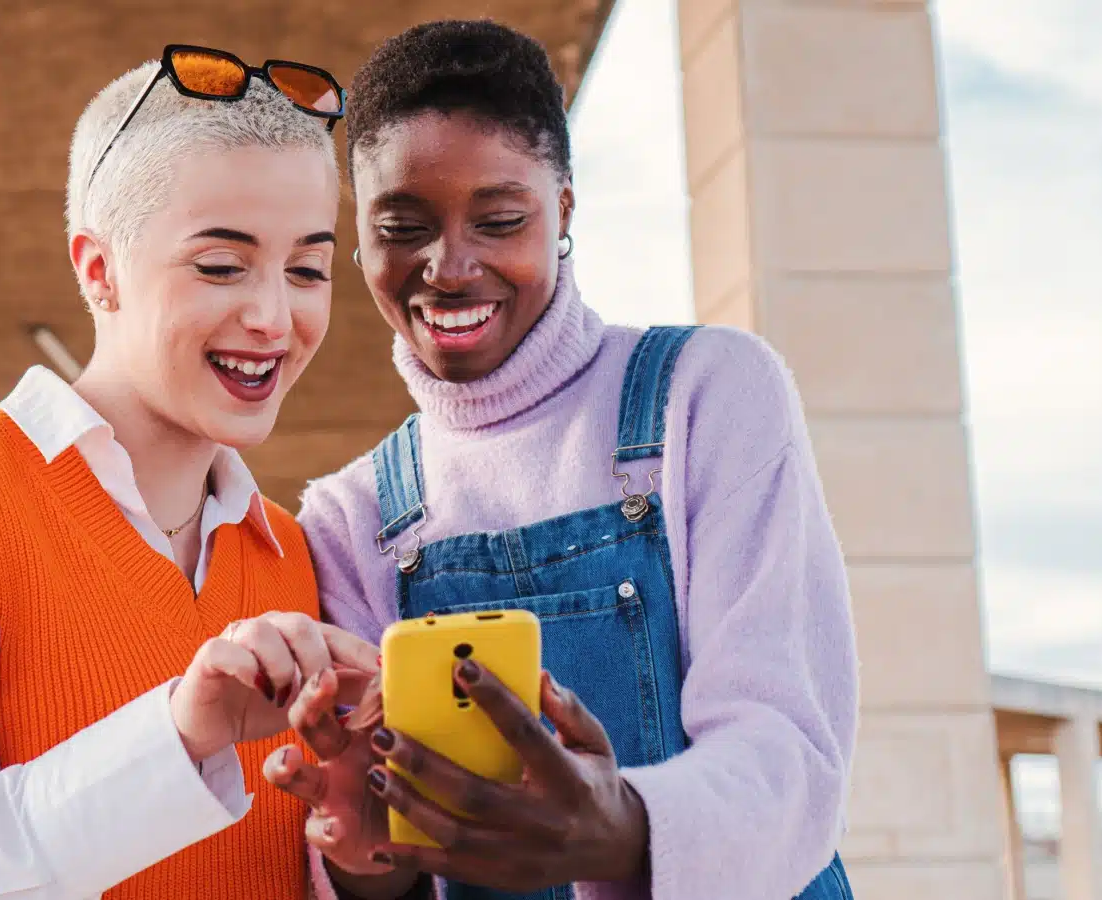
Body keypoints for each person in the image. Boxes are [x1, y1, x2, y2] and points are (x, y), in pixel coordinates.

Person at [264, 20, 859, 900]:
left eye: (501, 220)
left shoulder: (709, 394)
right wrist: (359, 854)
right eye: (402, 227)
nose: (450, 266)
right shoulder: (351, 519)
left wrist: (624, 831)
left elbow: (789, 754)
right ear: (361, 241)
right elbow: (381, 868)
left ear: (565, 211)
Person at [0, 46, 380, 900]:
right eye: (221, 265)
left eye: (308, 269)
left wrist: (367, 848)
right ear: (98, 269)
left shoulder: (290, 552)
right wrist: (176, 739)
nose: (272, 317)